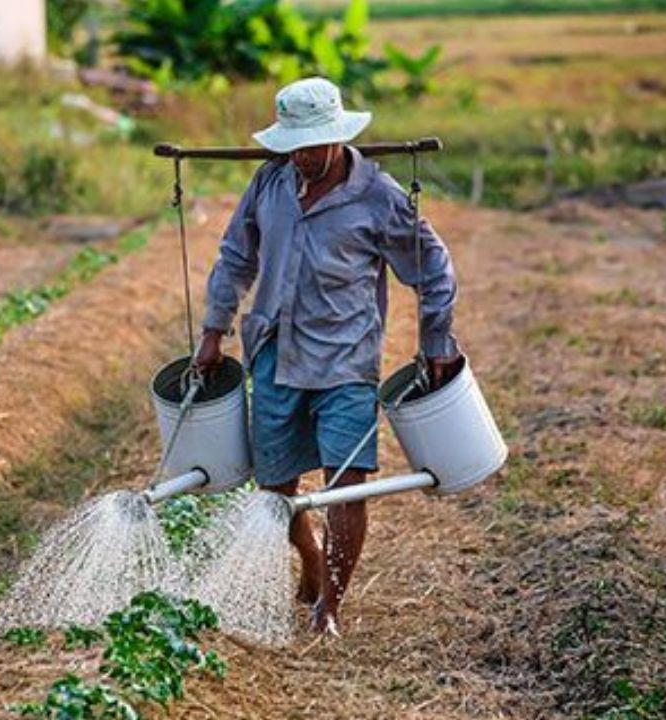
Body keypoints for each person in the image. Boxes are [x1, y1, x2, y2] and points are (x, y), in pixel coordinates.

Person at [192, 77, 461, 635]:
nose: (305, 157)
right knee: (276, 489)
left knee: (347, 483)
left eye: (315, 145)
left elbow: (433, 270)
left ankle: (329, 608)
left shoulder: (378, 197)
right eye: (295, 146)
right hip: (275, 353)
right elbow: (235, 256)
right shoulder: (269, 183)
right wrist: (213, 330)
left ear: (339, 137)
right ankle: (311, 560)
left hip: (346, 362)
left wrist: (436, 342)